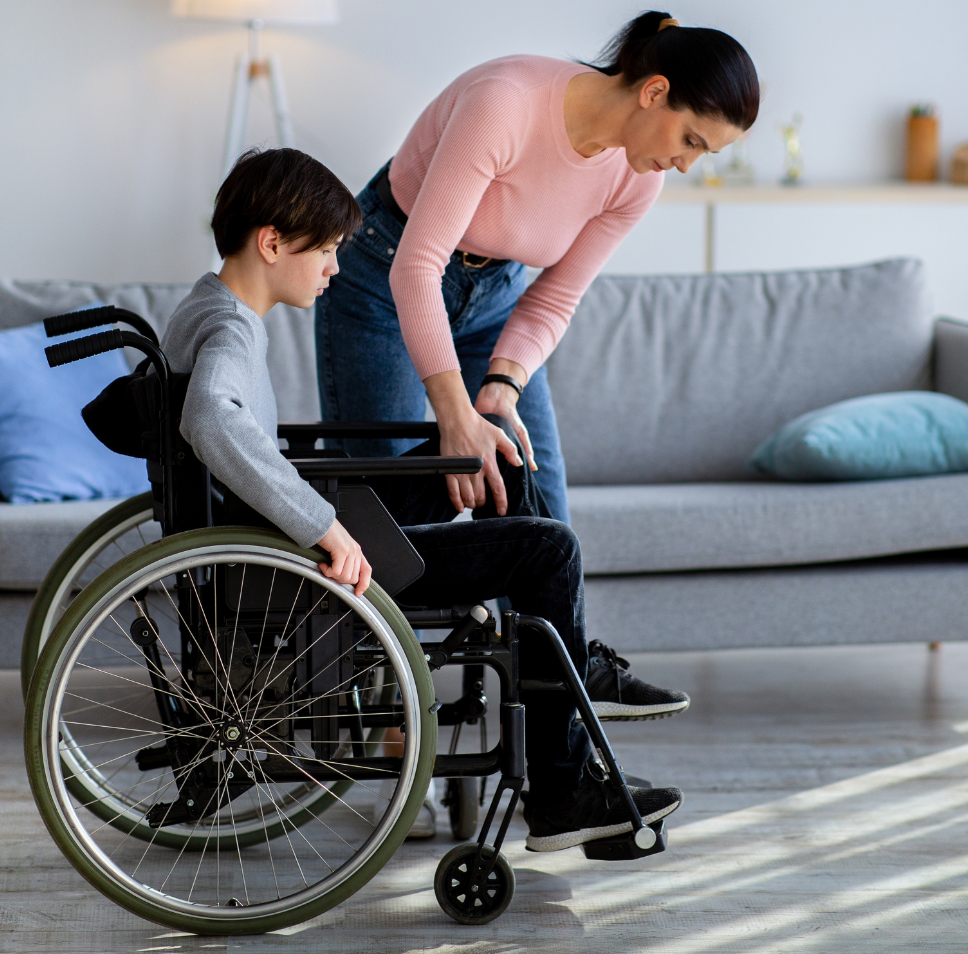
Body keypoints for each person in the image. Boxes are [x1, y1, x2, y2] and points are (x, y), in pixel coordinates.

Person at [161, 147, 684, 851]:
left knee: (490, 450)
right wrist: (327, 529)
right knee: (548, 549)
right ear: (272, 242)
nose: (336, 270)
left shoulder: (213, 305)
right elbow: (211, 420)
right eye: (327, 251)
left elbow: (224, 429)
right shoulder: (229, 328)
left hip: (299, 533)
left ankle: (571, 682)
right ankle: (562, 788)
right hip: (311, 559)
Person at [316, 9, 759, 530]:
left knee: (542, 521)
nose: (688, 164)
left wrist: (504, 384)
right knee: (392, 524)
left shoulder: (638, 181)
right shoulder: (506, 104)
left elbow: (553, 300)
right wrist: (457, 416)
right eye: (691, 141)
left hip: (495, 301)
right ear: (654, 92)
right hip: (385, 277)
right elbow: (417, 266)